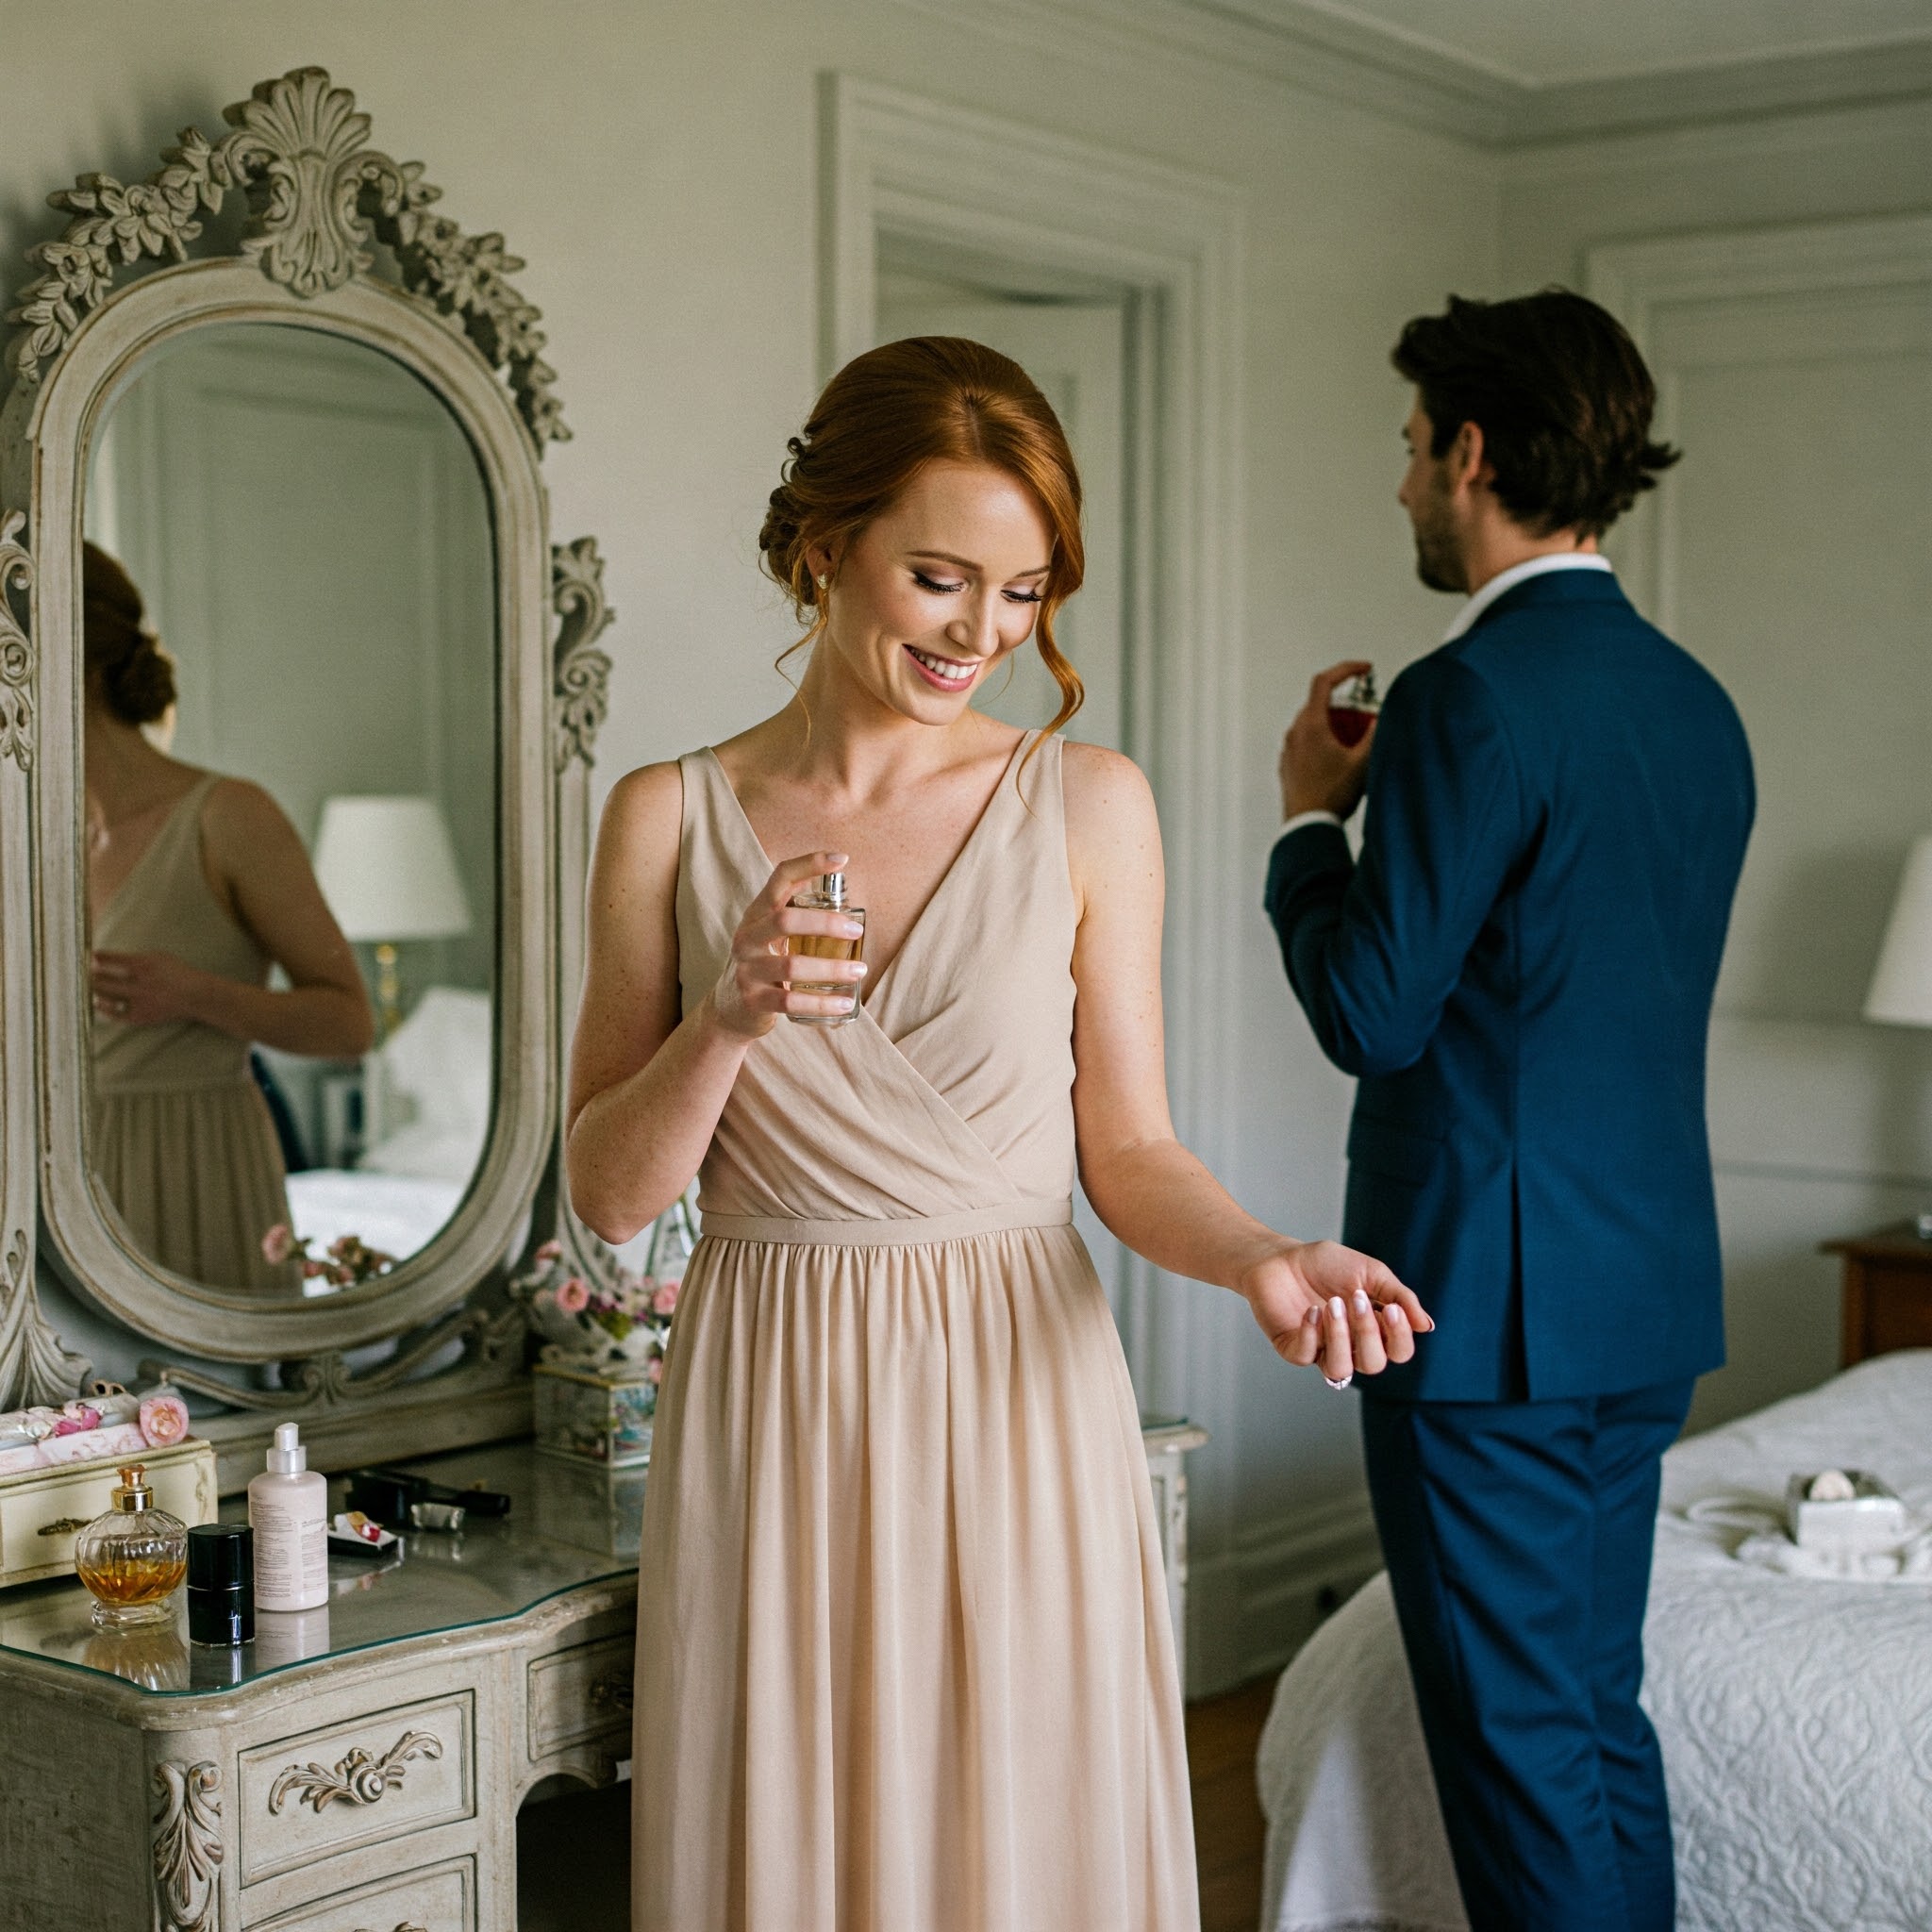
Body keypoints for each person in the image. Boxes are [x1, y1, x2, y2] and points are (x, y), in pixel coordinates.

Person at [565, 336, 1434, 1932]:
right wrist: (729, 1014)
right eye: (940, 577)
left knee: (1014, 1844)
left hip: (1013, 1394)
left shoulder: (1086, 800)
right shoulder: (661, 815)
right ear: (825, 546)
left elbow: (1131, 1154)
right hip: (774, 1399)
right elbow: (610, 1196)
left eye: (1025, 592)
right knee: (793, 1836)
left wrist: (1261, 1254)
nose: (984, 634)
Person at [1265, 291, 1755, 1932]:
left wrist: (1305, 827)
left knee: (1516, 1746)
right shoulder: (1693, 701)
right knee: (1591, 1719)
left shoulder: (1462, 699)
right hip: (1638, 1303)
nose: (1401, 484)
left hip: (1478, 1316)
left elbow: (1366, 1011)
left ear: (1472, 451)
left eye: (1411, 450)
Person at [83, 542, 373, 1291]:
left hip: (197, 1163)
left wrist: (195, 995)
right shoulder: (32, 839)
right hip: (61, 1185)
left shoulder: (227, 817)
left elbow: (350, 1024)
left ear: (67, 657)